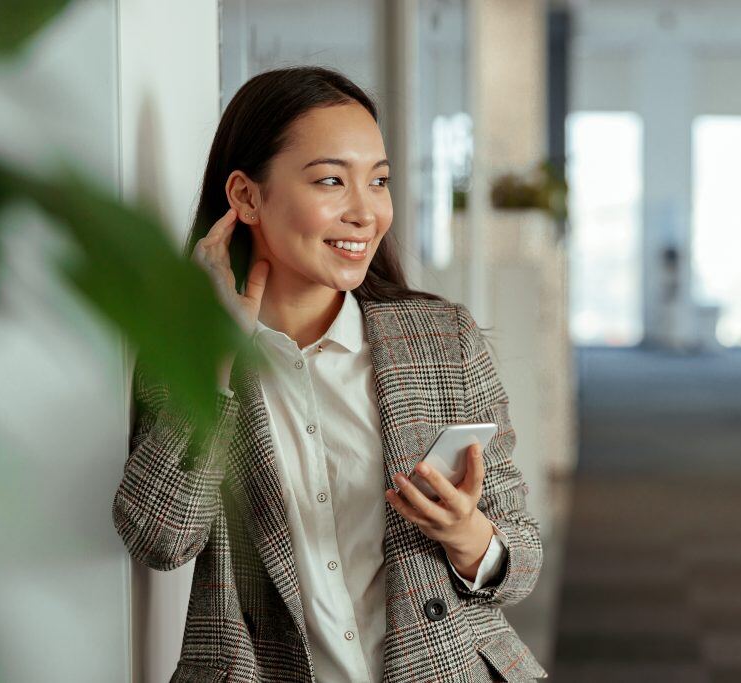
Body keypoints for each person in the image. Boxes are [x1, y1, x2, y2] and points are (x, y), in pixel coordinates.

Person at [111, 66, 546, 682]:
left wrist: (468, 534)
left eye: (379, 181)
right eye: (331, 181)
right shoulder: (185, 352)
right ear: (246, 197)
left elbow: (521, 562)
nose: (366, 212)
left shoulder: (442, 341)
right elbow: (160, 537)